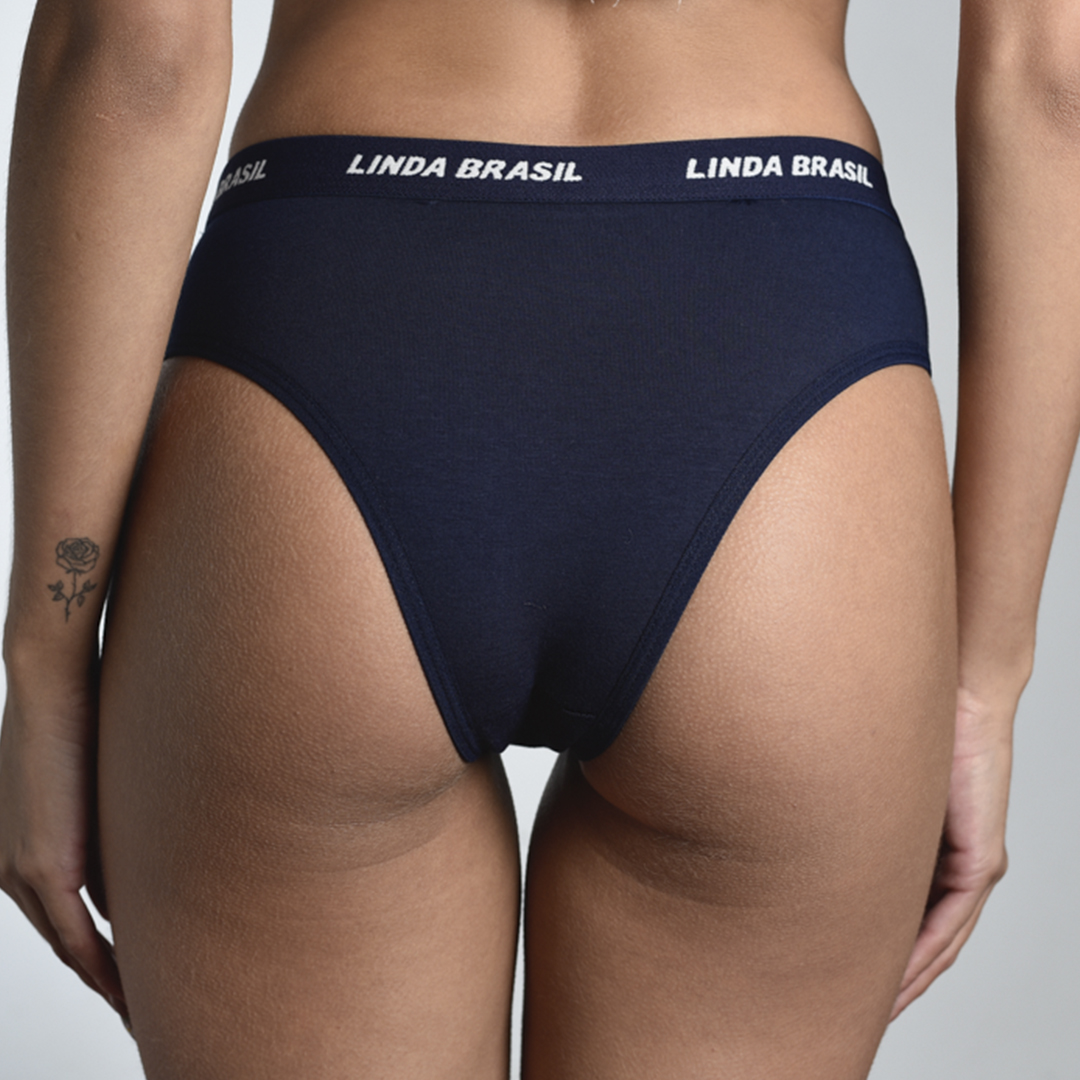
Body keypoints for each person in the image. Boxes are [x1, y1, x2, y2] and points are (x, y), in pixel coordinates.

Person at [1, 0, 1078, 1076]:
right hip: (781, 337)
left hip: (336, 307)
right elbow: (1051, 77)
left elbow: (136, 48)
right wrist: (982, 686)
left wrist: (47, 663)